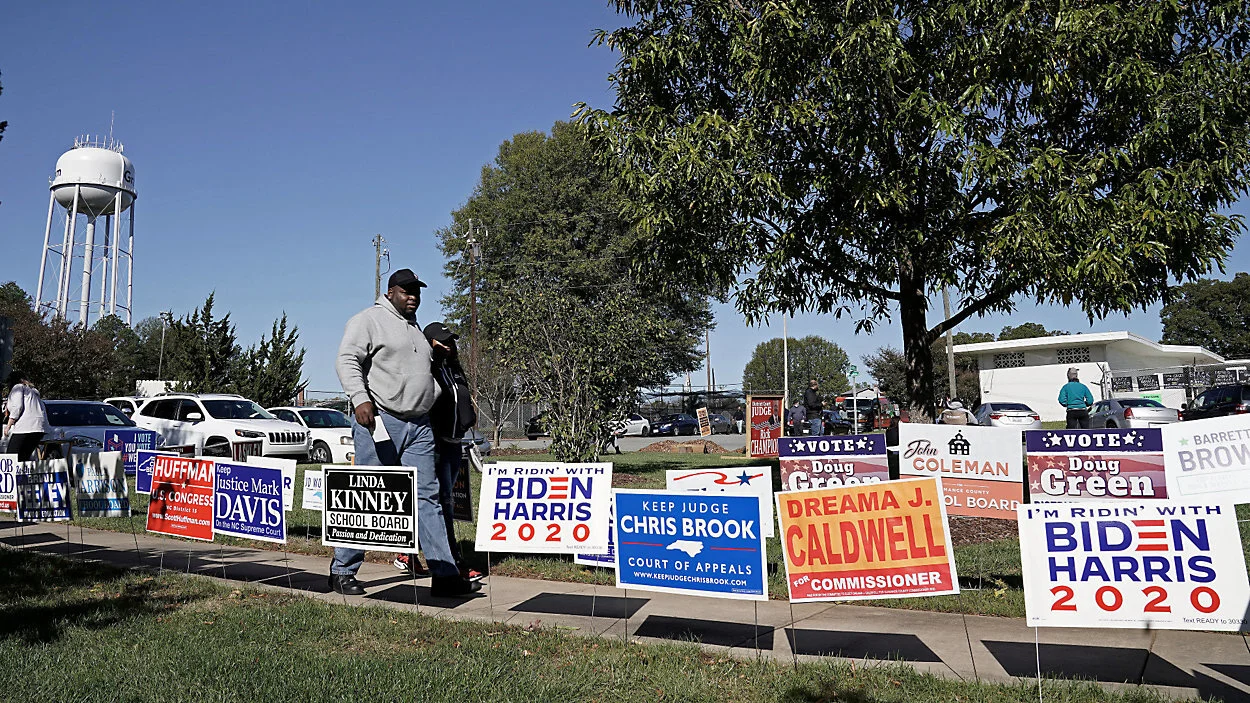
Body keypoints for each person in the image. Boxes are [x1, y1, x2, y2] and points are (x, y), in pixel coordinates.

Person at [332, 268, 480, 598]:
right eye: (406, 291)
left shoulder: (414, 330)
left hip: (420, 425)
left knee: (427, 497)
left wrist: (435, 358)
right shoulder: (368, 320)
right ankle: (342, 570)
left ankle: (443, 573)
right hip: (381, 421)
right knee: (365, 497)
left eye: (417, 291)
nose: (413, 296)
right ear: (390, 291)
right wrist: (360, 399)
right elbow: (346, 359)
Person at [394, 322, 485, 582]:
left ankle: (414, 554)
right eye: (442, 341)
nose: (448, 345)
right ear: (429, 343)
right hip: (433, 444)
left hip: (455, 442)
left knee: (442, 501)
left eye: (451, 341)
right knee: (436, 501)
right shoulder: (427, 369)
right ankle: (450, 563)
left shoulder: (453, 369)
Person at [4, 371, 50, 461]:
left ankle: (13, 474)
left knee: (10, 457)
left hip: (25, 426)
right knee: (24, 456)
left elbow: (17, 407)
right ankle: (23, 474)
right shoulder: (33, 391)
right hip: (39, 427)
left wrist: (8, 425)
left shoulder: (18, 387)